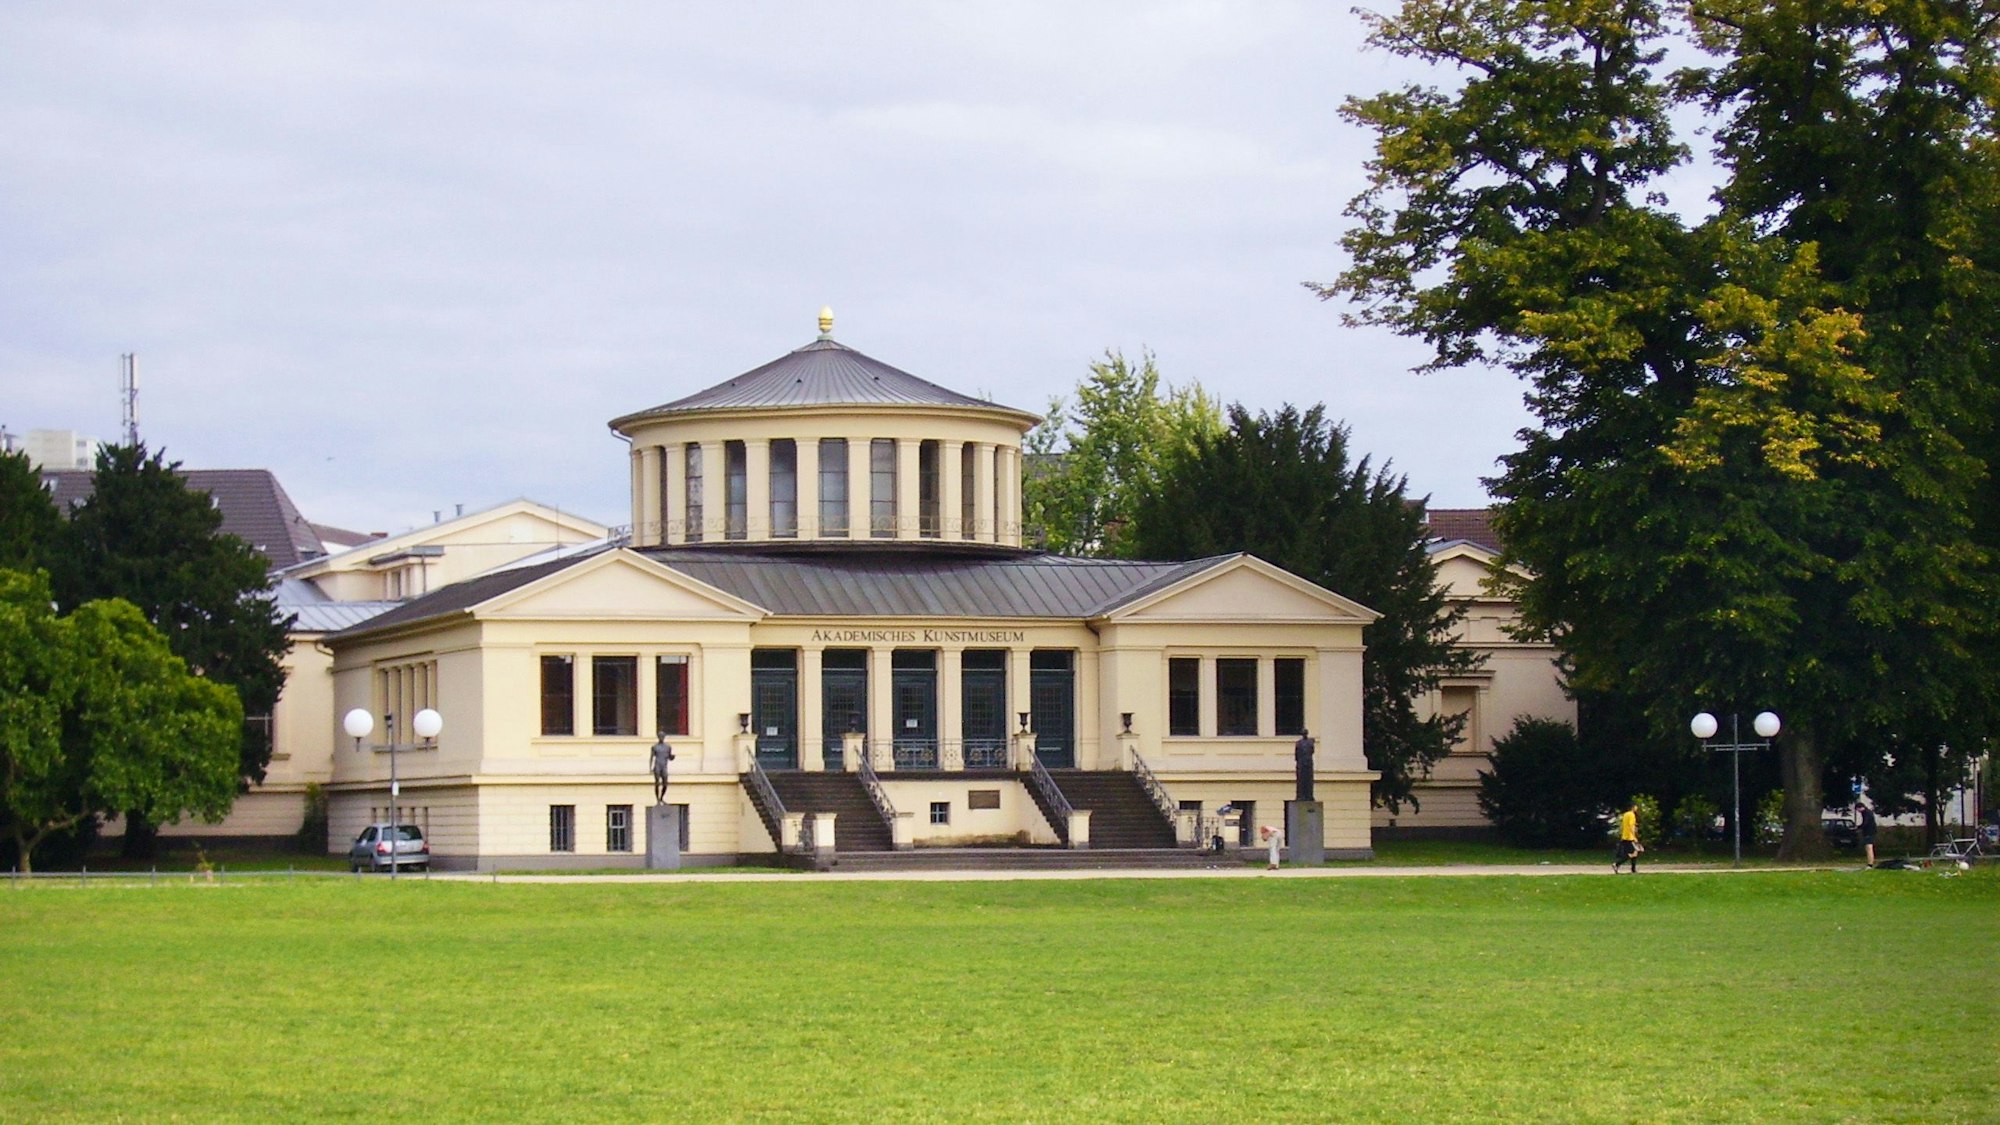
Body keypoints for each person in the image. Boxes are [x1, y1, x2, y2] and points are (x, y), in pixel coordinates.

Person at [1613, 802, 1643, 874]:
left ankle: (1633, 869)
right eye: (1636, 807)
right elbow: (1631, 826)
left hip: (1625, 836)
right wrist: (1634, 836)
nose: (1637, 808)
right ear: (1633, 807)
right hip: (1630, 838)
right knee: (1633, 853)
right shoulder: (1632, 815)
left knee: (1634, 852)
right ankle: (1616, 864)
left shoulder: (1626, 814)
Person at [648, 736, 676, 805]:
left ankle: (661, 798)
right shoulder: (654, 747)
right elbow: (651, 757)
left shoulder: (668, 747)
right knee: (657, 783)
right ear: (658, 737)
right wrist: (650, 768)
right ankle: (657, 799)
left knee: (665, 784)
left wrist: (672, 757)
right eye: (660, 737)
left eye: (662, 737)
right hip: (657, 766)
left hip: (664, 766)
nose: (661, 738)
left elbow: (669, 757)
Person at [1856, 800, 1878, 867]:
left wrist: (1858, 827)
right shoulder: (1866, 812)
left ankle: (1870, 864)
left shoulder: (1866, 813)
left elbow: (1865, 823)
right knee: (1868, 848)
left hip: (1869, 832)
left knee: (1869, 848)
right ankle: (1870, 863)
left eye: (1858, 809)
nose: (1858, 811)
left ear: (1860, 807)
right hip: (1869, 832)